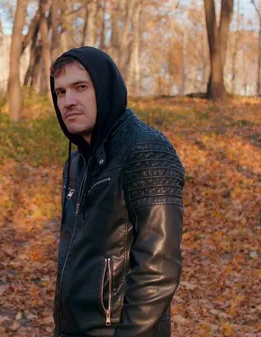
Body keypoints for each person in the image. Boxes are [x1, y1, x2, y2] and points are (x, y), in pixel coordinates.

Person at [50, 46, 185, 337]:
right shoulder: (76, 162)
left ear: (106, 87)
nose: (68, 101)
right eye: (60, 92)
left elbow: (158, 271)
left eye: (80, 87)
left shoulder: (146, 150)